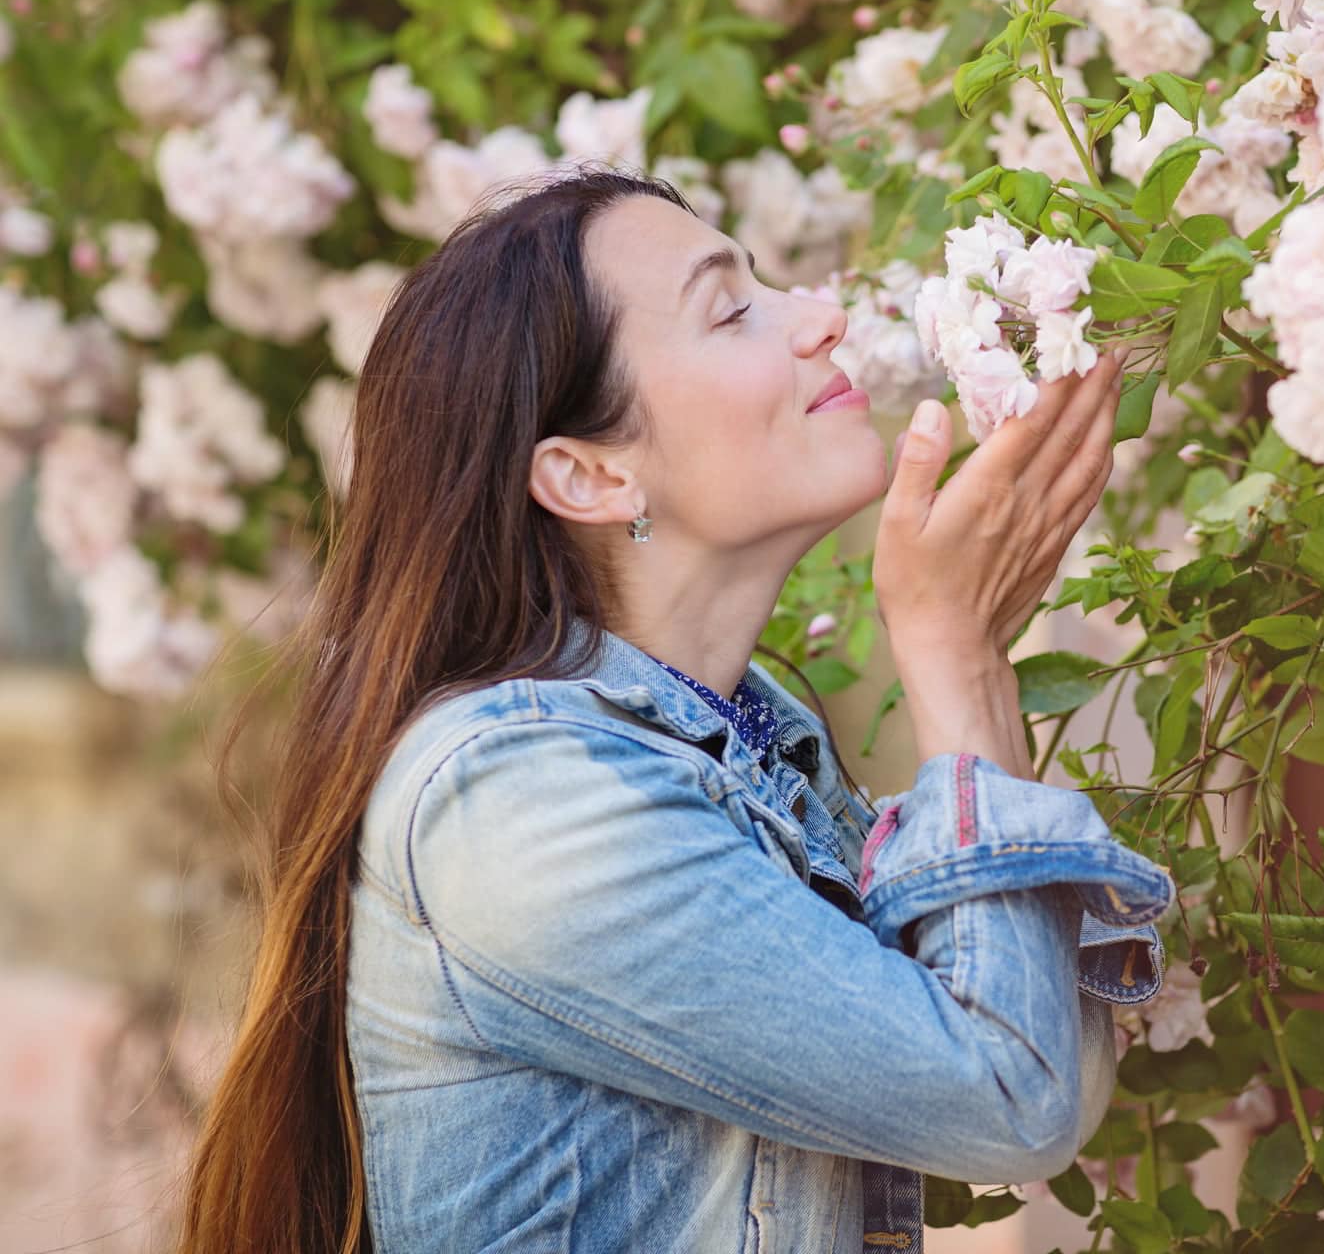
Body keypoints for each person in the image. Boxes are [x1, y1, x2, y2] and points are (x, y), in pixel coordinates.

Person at [174, 170, 1172, 1253]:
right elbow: (1008, 1094)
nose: (822, 315)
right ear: (591, 475)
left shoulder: (751, 737)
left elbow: (1044, 1074)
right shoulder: (514, 802)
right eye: (734, 308)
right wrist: (959, 654)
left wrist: (968, 664)